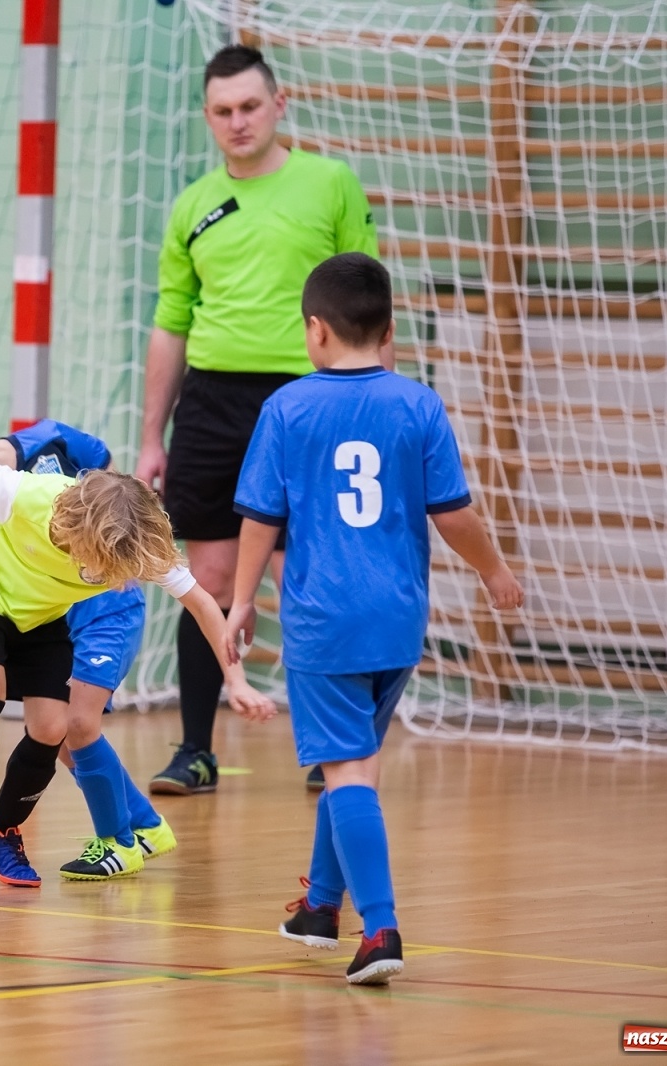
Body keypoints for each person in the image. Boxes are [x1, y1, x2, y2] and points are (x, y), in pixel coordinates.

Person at [223, 253, 523, 984]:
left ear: (315, 331)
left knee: (348, 765)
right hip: (397, 619)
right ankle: (321, 906)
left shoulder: (288, 409)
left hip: (325, 620)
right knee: (351, 759)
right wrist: (493, 570)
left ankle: (380, 928)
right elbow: (453, 514)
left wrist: (239, 602)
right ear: (388, 330)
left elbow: (262, 518)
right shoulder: (419, 405)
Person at [0, 405, 273, 888]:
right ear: (76, 530)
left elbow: (204, 605)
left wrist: (238, 680)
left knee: (55, 727)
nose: (103, 574)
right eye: (97, 564)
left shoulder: (134, 542)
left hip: (42, 619)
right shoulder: (24, 493)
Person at [135, 45, 379, 795]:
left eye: (249, 106)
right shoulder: (192, 204)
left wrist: (372, 404)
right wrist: (152, 435)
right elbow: (171, 323)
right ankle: (196, 750)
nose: (237, 122)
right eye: (222, 111)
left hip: (310, 398)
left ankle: (327, 746)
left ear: (280, 104)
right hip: (212, 403)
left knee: (305, 575)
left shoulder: (328, 183)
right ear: (207, 117)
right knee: (204, 575)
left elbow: (369, 297)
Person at [0, 387, 176, 881]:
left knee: (78, 726)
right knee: (60, 731)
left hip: (107, 607)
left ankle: (124, 837)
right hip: (54, 613)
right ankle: (141, 825)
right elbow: (10, 577)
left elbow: (106, 475)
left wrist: (120, 525)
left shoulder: (50, 442)